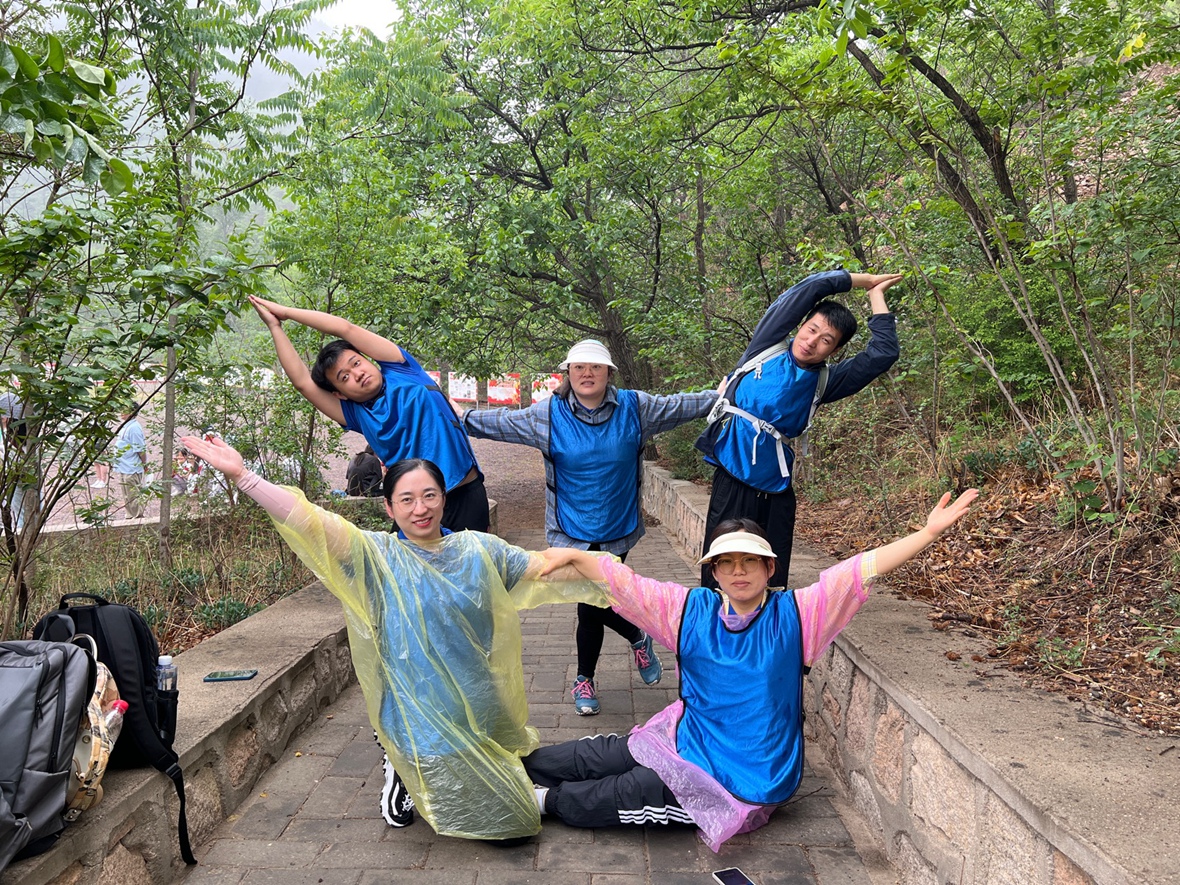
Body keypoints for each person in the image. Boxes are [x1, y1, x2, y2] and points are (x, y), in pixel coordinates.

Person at [179, 434, 614, 842]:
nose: (420, 508)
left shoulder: (479, 551)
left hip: (477, 698)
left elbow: (546, 568)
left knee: (507, 778)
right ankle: (402, 766)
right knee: (510, 824)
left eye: (430, 495)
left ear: (444, 498)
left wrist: (622, 581)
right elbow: (310, 522)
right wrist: (244, 476)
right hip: (416, 708)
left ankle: (471, 773)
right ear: (388, 508)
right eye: (406, 499)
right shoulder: (377, 557)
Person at [528, 488, 978, 851]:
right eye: (727, 563)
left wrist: (927, 533)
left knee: (627, 791)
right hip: (686, 738)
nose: (738, 571)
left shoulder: (800, 615)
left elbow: (859, 572)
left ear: (769, 568)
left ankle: (538, 801)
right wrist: (574, 557)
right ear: (714, 572)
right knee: (597, 756)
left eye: (749, 561)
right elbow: (624, 583)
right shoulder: (688, 610)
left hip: (743, 776)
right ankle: (515, 766)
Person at [463, 339, 718, 715]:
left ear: (608, 373)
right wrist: (449, 416)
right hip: (570, 528)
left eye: (595, 367)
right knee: (590, 601)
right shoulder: (547, 415)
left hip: (617, 526)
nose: (587, 373)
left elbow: (681, 405)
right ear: (567, 373)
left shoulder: (636, 408)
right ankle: (608, 659)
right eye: (579, 367)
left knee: (599, 598)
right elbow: (495, 423)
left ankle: (612, 657)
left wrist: (726, 393)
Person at [696, 269, 903, 587]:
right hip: (732, 475)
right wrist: (865, 280)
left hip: (776, 489)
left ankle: (770, 621)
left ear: (834, 351)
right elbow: (813, 287)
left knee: (772, 575)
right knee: (720, 569)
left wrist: (877, 296)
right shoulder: (766, 346)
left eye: (826, 340)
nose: (812, 342)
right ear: (801, 325)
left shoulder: (825, 382)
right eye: (811, 329)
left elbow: (883, 353)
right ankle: (712, 619)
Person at [249, 295, 488, 532]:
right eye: (344, 377)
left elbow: (345, 329)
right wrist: (275, 326)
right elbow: (302, 383)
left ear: (367, 359)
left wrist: (286, 312)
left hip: (464, 496)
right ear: (339, 394)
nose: (357, 374)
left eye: (356, 363)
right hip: (412, 510)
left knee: (475, 558)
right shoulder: (355, 414)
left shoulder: (402, 369)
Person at [111, 410, 148, 519]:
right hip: (124, 467)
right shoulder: (126, 426)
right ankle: (130, 515)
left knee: (133, 495)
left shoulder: (134, 428)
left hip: (132, 467)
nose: (121, 412)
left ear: (132, 412)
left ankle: (137, 517)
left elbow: (140, 449)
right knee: (127, 495)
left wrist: (144, 464)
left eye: (125, 410)